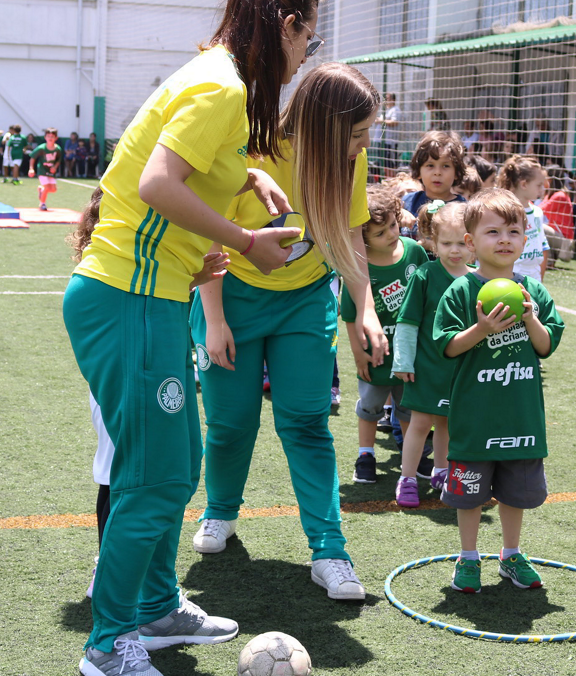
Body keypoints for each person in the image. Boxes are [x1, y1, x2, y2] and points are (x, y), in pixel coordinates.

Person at [61, 0, 314, 676]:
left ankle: (154, 606)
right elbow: (156, 183)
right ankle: (109, 643)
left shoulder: (214, 76)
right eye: (309, 36)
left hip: (150, 297)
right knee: (154, 476)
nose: (307, 54)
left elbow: (171, 165)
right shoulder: (223, 87)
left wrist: (246, 177)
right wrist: (245, 240)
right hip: (127, 297)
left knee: (179, 463)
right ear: (288, 26)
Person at [191, 62, 386, 601]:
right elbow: (207, 235)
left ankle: (330, 551)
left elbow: (350, 237)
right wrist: (214, 320)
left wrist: (365, 309)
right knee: (230, 423)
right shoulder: (252, 150)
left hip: (304, 301)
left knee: (306, 424)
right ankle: (220, 512)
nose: (364, 144)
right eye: (357, 133)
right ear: (323, 127)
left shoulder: (350, 160)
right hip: (232, 295)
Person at [434, 189, 565, 593]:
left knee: (516, 493)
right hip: (475, 418)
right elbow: (448, 346)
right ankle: (468, 556)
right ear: (471, 242)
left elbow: (546, 346)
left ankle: (511, 555)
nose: (504, 239)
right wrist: (482, 329)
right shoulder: (461, 290)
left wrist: (530, 319)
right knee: (469, 495)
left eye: (513, 231)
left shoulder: (533, 292)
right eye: (492, 232)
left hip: (520, 417)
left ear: (525, 238)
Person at [345, 190, 429, 486]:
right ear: (363, 239)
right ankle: (365, 455)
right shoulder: (358, 265)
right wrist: (359, 354)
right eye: (380, 233)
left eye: (393, 225)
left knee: (408, 407)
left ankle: (412, 455)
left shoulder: (414, 251)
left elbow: (428, 297)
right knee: (370, 407)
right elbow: (350, 315)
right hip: (375, 356)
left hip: (411, 354)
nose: (392, 234)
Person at [392, 200, 468, 508]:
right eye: (446, 243)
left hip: (459, 371)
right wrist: (402, 361)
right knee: (421, 424)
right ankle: (407, 478)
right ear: (433, 243)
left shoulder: (479, 279)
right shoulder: (424, 275)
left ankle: (441, 472)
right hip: (425, 368)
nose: (455, 250)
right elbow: (407, 322)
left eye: (462, 242)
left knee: (447, 423)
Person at [400, 130, 465, 238]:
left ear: (456, 173)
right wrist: (398, 214)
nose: (437, 172)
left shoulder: (464, 208)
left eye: (445, 166)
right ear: (419, 171)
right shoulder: (407, 203)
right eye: (430, 165)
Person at [498, 155, 550, 282]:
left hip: (533, 278)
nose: (542, 189)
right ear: (524, 184)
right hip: (510, 277)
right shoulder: (504, 212)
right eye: (539, 185)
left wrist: (540, 281)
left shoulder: (537, 212)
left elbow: (543, 249)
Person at [27, 128, 66, 212]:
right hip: (42, 170)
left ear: (56, 138)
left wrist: (55, 167)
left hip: (51, 171)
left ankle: (41, 189)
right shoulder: (41, 148)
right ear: (45, 137)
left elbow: (58, 160)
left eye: (52, 136)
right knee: (47, 187)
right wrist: (31, 168)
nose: (50, 138)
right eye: (48, 136)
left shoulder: (58, 149)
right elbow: (32, 158)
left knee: (53, 189)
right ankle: (42, 204)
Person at [373, 92, 400, 176]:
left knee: (389, 161)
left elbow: (395, 122)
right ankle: (386, 177)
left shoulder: (395, 110)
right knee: (383, 161)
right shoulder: (386, 110)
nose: (385, 101)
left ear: (393, 100)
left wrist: (381, 121)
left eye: (387, 99)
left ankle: (392, 178)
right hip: (381, 140)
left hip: (389, 141)